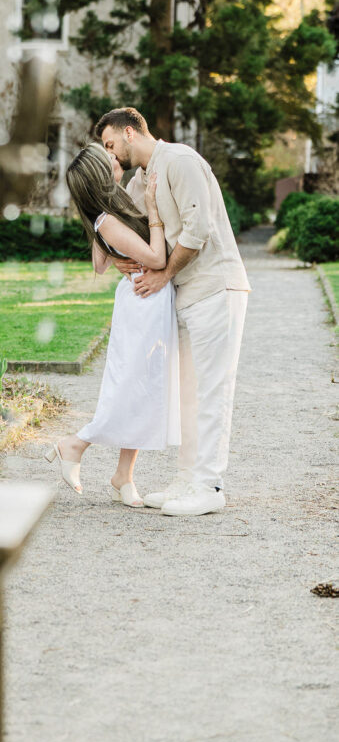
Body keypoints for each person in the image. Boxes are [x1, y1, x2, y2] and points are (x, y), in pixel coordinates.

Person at [96, 107, 250, 516]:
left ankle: (210, 485)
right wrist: (110, 186)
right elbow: (117, 231)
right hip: (184, 294)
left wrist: (161, 275)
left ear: (130, 133)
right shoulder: (139, 178)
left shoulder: (179, 161)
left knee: (213, 390)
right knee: (190, 394)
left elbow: (198, 232)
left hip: (216, 287)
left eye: (111, 144)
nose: (110, 153)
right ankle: (187, 479)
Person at [45, 142, 180, 506]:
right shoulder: (107, 219)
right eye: (105, 156)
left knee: (144, 388)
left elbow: (100, 264)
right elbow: (155, 256)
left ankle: (123, 475)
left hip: (147, 300)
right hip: (142, 302)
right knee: (131, 386)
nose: (113, 154)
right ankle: (74, 444)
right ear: (98, 174)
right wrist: (151, 212)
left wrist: (114, 246)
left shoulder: (108, 211)